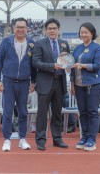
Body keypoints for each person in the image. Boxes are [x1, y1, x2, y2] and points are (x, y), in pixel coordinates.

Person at [0, 17, 37, 151]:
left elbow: (34, 65)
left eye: (23, 27)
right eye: (18, 26)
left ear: (27, 29)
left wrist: (33, 81)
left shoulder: (32, 43)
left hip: (24, 82)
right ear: (13, 28)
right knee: (7, 112)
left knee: (23, 111)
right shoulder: (6, 42)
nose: (20, 29)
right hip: (8, 81)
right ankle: (7, 139)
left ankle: (22, 139)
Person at [32, 18, 70, 151]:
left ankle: (57, 139)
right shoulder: (39, 43)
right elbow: (36, 62)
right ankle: (41, 140)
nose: (52, 31)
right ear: (46, 30)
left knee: (57, 113)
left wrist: (68, 66)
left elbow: (67, 61)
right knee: (42, 113)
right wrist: (52, 66)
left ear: (58, 29)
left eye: (54, 28)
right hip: (45, 82)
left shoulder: (64, 43)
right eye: (49, 28)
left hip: (60, 82)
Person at [70, 22, 100, 151]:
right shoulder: (77, 49)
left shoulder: (97, 48)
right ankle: (84, 137)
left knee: (92, 112)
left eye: (86, 32)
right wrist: (72, 83)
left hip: (93, 84)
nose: (83, 34)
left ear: (92, 33)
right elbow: (73, 67)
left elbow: (97, 66)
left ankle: (91, 139)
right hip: (79, 85)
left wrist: (84, 66)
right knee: (82, 113)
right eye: (81, 32)